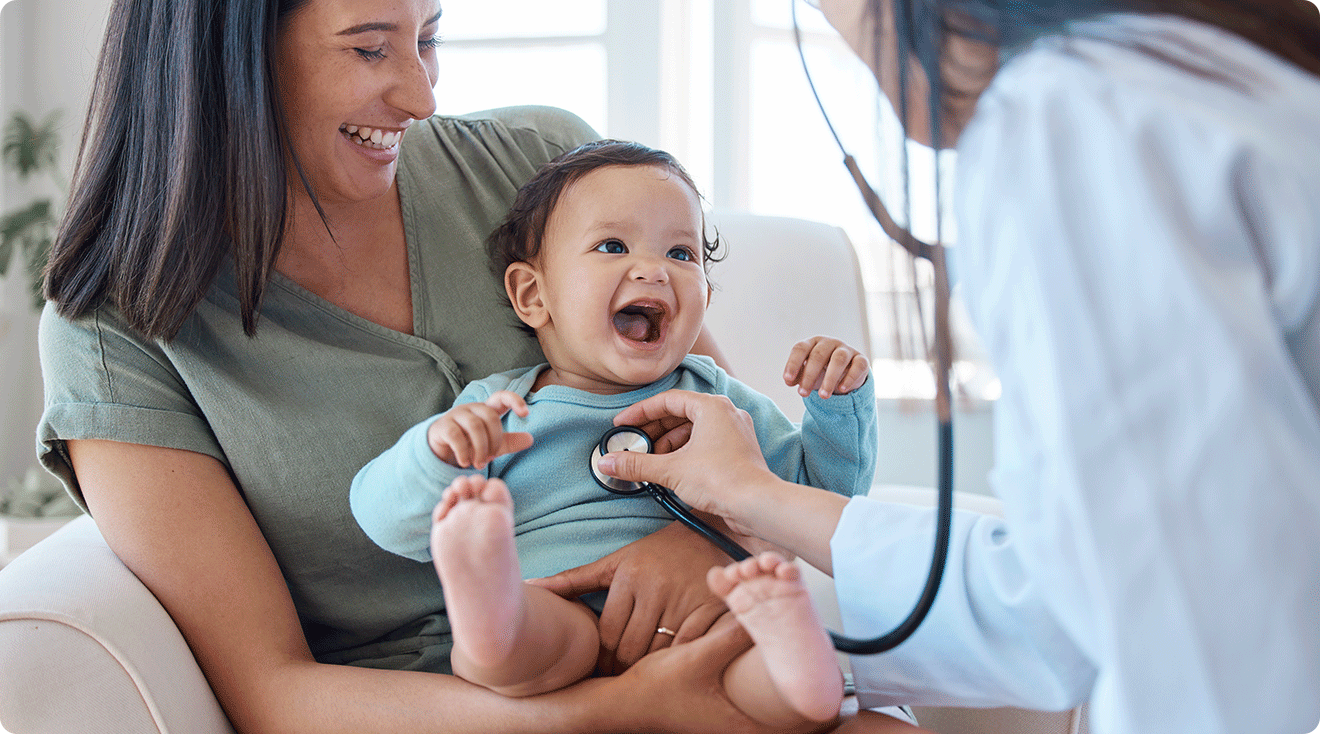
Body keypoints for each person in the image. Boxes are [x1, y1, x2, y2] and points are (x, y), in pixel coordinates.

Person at [33, 0, 929, 731]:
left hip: (701, 638)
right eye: (371, 48)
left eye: (429, 38)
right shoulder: (114, 334)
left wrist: (704, 548)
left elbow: (729, 449)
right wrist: (617, 713)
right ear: (228, 59)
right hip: (468, 703)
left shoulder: (544, 167)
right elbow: (274, 694)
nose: (419, 97)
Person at [591, 2, 1320, 733]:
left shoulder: (1072, 121)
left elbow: (1194, 631)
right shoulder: (1192, 74)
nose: (852, 52)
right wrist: (752, 497)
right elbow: (1076, 597)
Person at [349, 140, 874, 726]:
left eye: (682, 252)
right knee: (514, 653)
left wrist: (836, 406)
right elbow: (383, 519)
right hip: (560, 609)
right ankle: (486, 594)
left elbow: (817, 499)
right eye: (612, 246)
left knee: (774, 695)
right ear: (533, 295)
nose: (654, 268)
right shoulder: (502, 409)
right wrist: (436, 455)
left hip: (711, 617)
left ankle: (795, 652)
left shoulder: (716, 399)